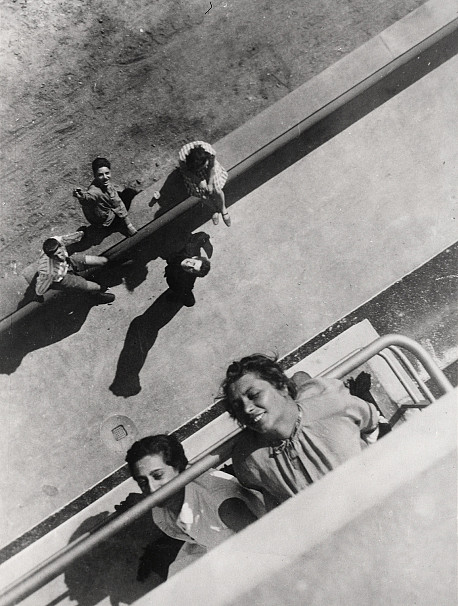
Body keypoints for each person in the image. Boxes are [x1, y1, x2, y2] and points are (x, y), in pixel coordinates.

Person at [221, 354, 380, 512]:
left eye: (254, 395)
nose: (247, 409)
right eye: (237, 406)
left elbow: (371, 422)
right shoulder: (249, 458)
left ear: (281, 387)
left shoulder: (333, 406)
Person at [126, 434, 264, 577]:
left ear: (179, 468)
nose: (152, 489)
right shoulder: (162, 508)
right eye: (143, 482)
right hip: (216, 549)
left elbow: (266, 547)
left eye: (158, 475)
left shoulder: (223, 504)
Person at [35, 230, 115, 303]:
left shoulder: (56, 241)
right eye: (55, 257)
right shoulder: (49, 273)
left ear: (60, 246)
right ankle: (97, 295)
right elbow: (42, 285)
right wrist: (39, 295)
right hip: (62, 278)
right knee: (94, 286)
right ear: (50, 257)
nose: (59, 257)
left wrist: (81, 233)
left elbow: (67, 238)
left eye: (59, 253)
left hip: (68, 261)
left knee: (102, 260)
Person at [73, 157, 138, 236]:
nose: (105, 177)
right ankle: (120, 226)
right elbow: (88, 198)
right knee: (128, 193)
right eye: (100, 175)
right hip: (108, 222)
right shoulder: (94, 191)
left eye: (107, 173)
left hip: (104, 212)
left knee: (121, 193)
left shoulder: (103, 183)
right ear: (95, 175)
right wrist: (128, 225)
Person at [178, 141, 231, 227]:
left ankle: (223, 208)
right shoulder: (183, 159)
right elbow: (185, 171)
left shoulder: (209, 152)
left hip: (209, 169)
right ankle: (214, 210)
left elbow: (211, 167)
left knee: (217, 189)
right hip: (193, 172)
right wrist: (198, 181)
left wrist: (209, 183)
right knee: (202, 194)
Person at [164, 232, 211, 307]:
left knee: (189, 301)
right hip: (173, 255)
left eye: (192, 270)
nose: (189, 265)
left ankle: (179, 297)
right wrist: (207, 244)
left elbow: (174, 283)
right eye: (193, 263)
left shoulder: (185, 280)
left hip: (176, 281)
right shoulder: (191, 249)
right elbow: (201, 236)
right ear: (194, 257)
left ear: (192, 274)